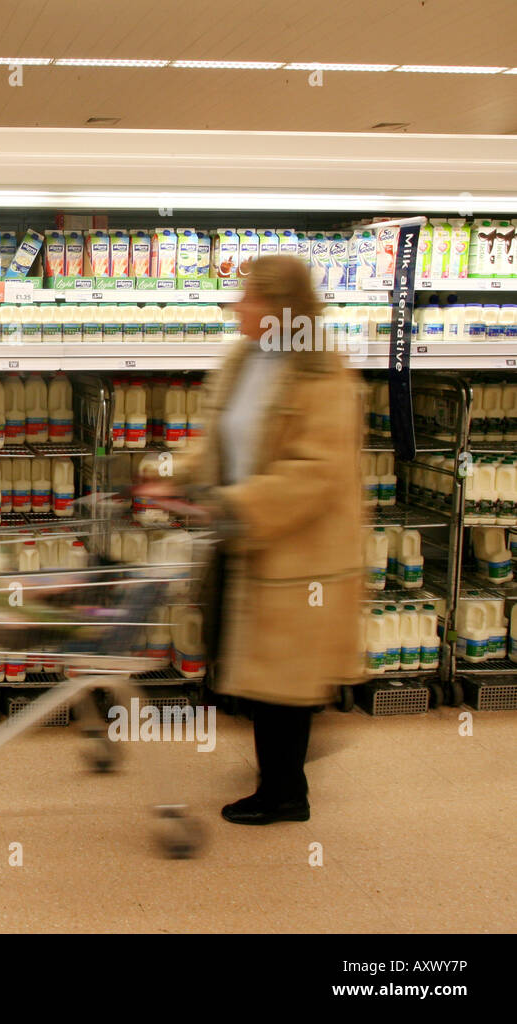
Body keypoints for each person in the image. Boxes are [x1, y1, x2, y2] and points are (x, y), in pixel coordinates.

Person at [135, 254, 365, 825]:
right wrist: (168, 476)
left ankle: (286, 793)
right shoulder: (245, 358)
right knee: (240, 652)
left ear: (280, 309)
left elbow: (315, 472)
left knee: (279, 671)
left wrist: (232, 503)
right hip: (245, 536)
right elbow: (215, 439)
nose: (236, 306)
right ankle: (299, 737)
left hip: (297, 549)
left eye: (248, 298)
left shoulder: (322, 374)